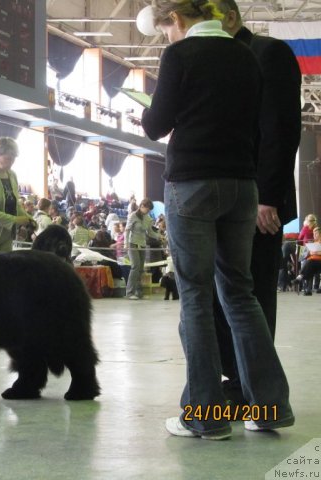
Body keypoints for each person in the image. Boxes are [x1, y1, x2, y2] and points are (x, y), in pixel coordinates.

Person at [142, 0, 293, 440]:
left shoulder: (180, 54)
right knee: (240, 294)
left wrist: (147, 113)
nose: (166, 37)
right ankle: (268, 407)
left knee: (195, 296)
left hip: (192, 184)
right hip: (242, 186)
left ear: (176, 20)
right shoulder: (246, 55)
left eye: (166, 28)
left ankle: (206, 414)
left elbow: (156, 124)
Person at [211, 0, 302, 407]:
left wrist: (269, 197)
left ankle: (257, 390)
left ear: (230, 17)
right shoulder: (217, 61)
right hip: (219, 198)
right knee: (222, 295)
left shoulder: (269, 53)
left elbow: (281, 131)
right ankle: (234, 379)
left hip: (257, 201)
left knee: (253, 294)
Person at [124, 198, 159, 300]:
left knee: (140, 269)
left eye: (150, 209)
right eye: (147, 208)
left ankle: (139, 293)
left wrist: (159, 236)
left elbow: (150, 232)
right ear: (142, 206)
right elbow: (127, 230)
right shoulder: (132, 216)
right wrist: (125, 243)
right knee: (135, 266)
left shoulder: (148, 218)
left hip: (142, 244)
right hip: (132, 244)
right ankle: (129, 293)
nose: (148, 211)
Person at [293, 226, 321, 296]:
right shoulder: (313, 242)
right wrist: (309, 252)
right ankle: (308, 290)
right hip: (312, 261)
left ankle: (299, 278)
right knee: (309, 265)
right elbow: (307, 254)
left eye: (316, 233)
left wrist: (317, 252)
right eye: (314, 233)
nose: (314, 235)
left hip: (319, 261)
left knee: (309, 264)